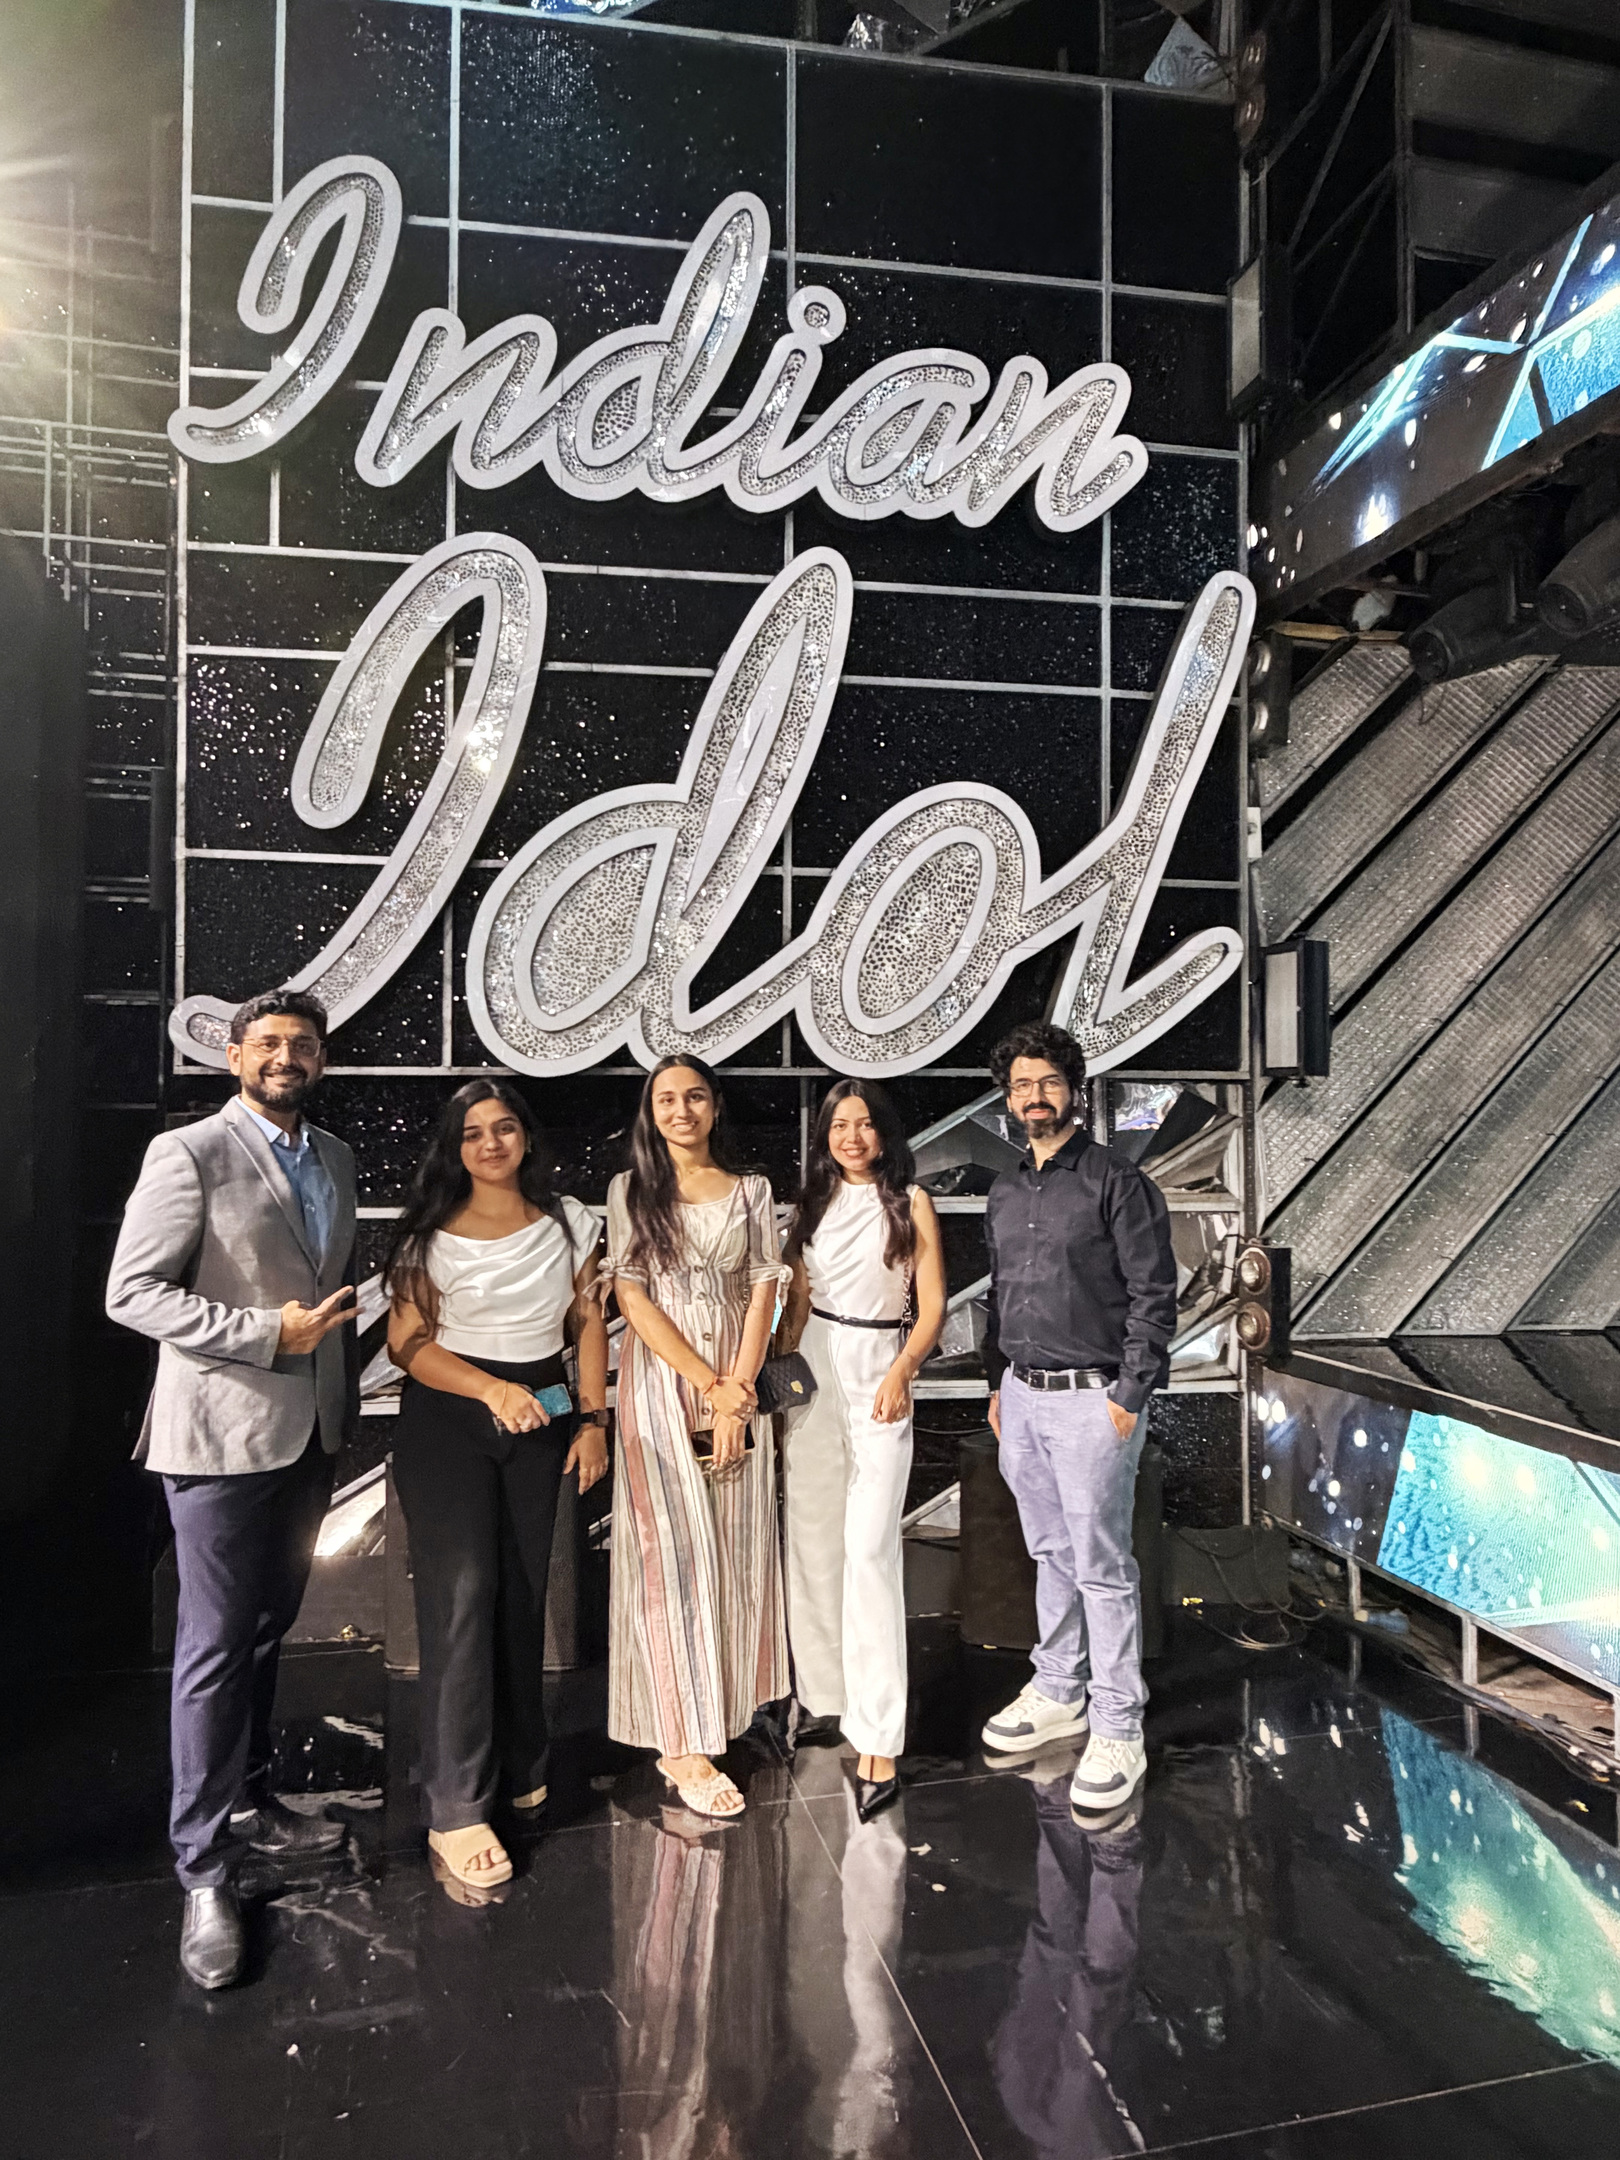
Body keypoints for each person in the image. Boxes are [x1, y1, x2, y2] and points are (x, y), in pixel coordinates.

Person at [106, 991, 360, 1990]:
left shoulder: (335, 1156)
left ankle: (253, 1806)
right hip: (216, 1439)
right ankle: (205, 1870)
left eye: (301, 1043)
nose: (285, 1055)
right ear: (235, 1058)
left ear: (320, 1060)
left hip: (309, 1434)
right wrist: (265, 1336)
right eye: (268, 1043)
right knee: (212, 1651)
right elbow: (133, 1292)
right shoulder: (191, 1153)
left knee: (264, 1631)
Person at [384, 1081, 610, 1895]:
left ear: (525, 1138)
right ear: (455, 1146)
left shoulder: (570, 1224)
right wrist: (490, 1391)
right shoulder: (426, 1234)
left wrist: (592, 1421)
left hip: (542, 1418)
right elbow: (408, 1344)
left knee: (518, 1598)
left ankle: (521, 1766)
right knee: (463, 1598)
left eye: (504, 1128)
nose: (490, 1143)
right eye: (473, 1132)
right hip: (449, 1422)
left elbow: (586, 1326)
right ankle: (454, 1806)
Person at [979, 1021, 1177, 1814]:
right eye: (1022, 1085)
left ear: (1075, 1090)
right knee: (1050, 1552)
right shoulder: (1003, 1189)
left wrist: (1129, 1395)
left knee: (1100, 1565)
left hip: (1095, 1400)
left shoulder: (1116, 1182)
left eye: (1048, 1083)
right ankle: (1059, 1687)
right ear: (1009, 1098)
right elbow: (999, 1296)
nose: (1036, 1096)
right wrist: (999, 1384)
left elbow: (1154, 1295)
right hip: (1023, 1398)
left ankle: (1119, 1723)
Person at [603, 1056, 790, 1820]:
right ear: (651, 1112)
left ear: (715, 1107)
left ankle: (724, 1709)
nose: (681, 1110)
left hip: (736, 1390)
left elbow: (762, 1286)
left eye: (695, 1097)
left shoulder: (753, 1190)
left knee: (737, 1551)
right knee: (670, 1562)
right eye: (666, 1100)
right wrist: (703, 1383)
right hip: (659, 1389)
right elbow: (631, 1294)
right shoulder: (632, 1190)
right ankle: (678, 1742)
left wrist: (737, 1394)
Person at [776, 1080, 946, 1820]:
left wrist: (904, 1370)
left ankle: (878, 1736)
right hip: (814, 1362)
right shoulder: (806, 1208)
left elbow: (932, 1303)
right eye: (839, 1125)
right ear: (825, 1136)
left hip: (881, 1363)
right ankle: (823, 1697)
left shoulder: (910, 1202)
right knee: (812, 1540)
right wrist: (777, 1374)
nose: (851, 1136)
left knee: (872, 1549)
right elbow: (795, 1301)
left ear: (884, 1134)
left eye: (864, 1124)